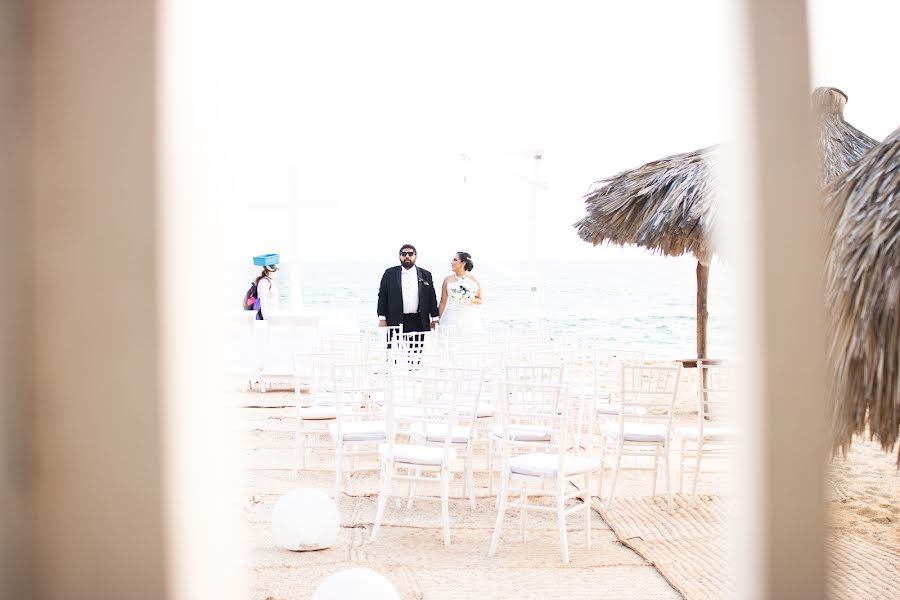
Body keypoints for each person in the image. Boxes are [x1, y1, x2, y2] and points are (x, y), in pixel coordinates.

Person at [377, 244, 439, 334]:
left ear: (415, 256)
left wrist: (435, 318)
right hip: (395, 319)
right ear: (399, 256)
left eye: (410, 254)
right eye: (404, 254)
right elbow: (382, 296)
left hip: (419, 320)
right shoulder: (389, 273)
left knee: (417, 348)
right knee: (395, 347)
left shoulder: (426, 274)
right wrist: (382, 318)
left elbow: (431, 297)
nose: (407, 256)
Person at [438, 251, 484, 337]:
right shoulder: (447, 280)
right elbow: (443, 302)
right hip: (451, 317)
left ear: (462, 263)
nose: (451, 262)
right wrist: (438, 319)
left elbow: (480, 300)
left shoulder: (473, 280)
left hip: (469, 318)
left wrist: (470, 299)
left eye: (455, 260)